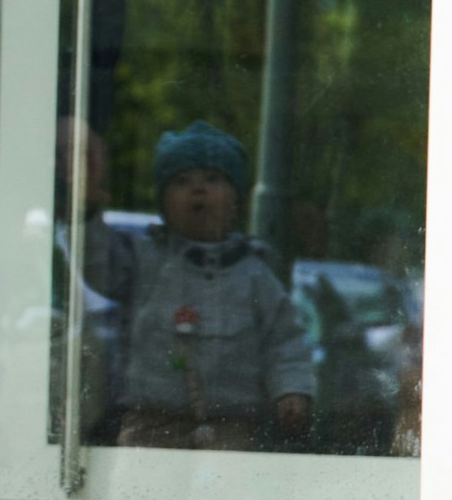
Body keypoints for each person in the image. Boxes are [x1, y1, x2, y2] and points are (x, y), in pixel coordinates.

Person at [104, 121, 314, 450]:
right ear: (163, 204)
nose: (198, 190)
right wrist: (85, 211)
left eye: (213, 179)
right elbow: (95, 268)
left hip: (233, 427)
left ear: (236, 201)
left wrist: (292, 390)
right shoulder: (143, 260)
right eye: (182, 181)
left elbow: (284, 341)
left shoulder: (255, 273)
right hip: (151, 423)